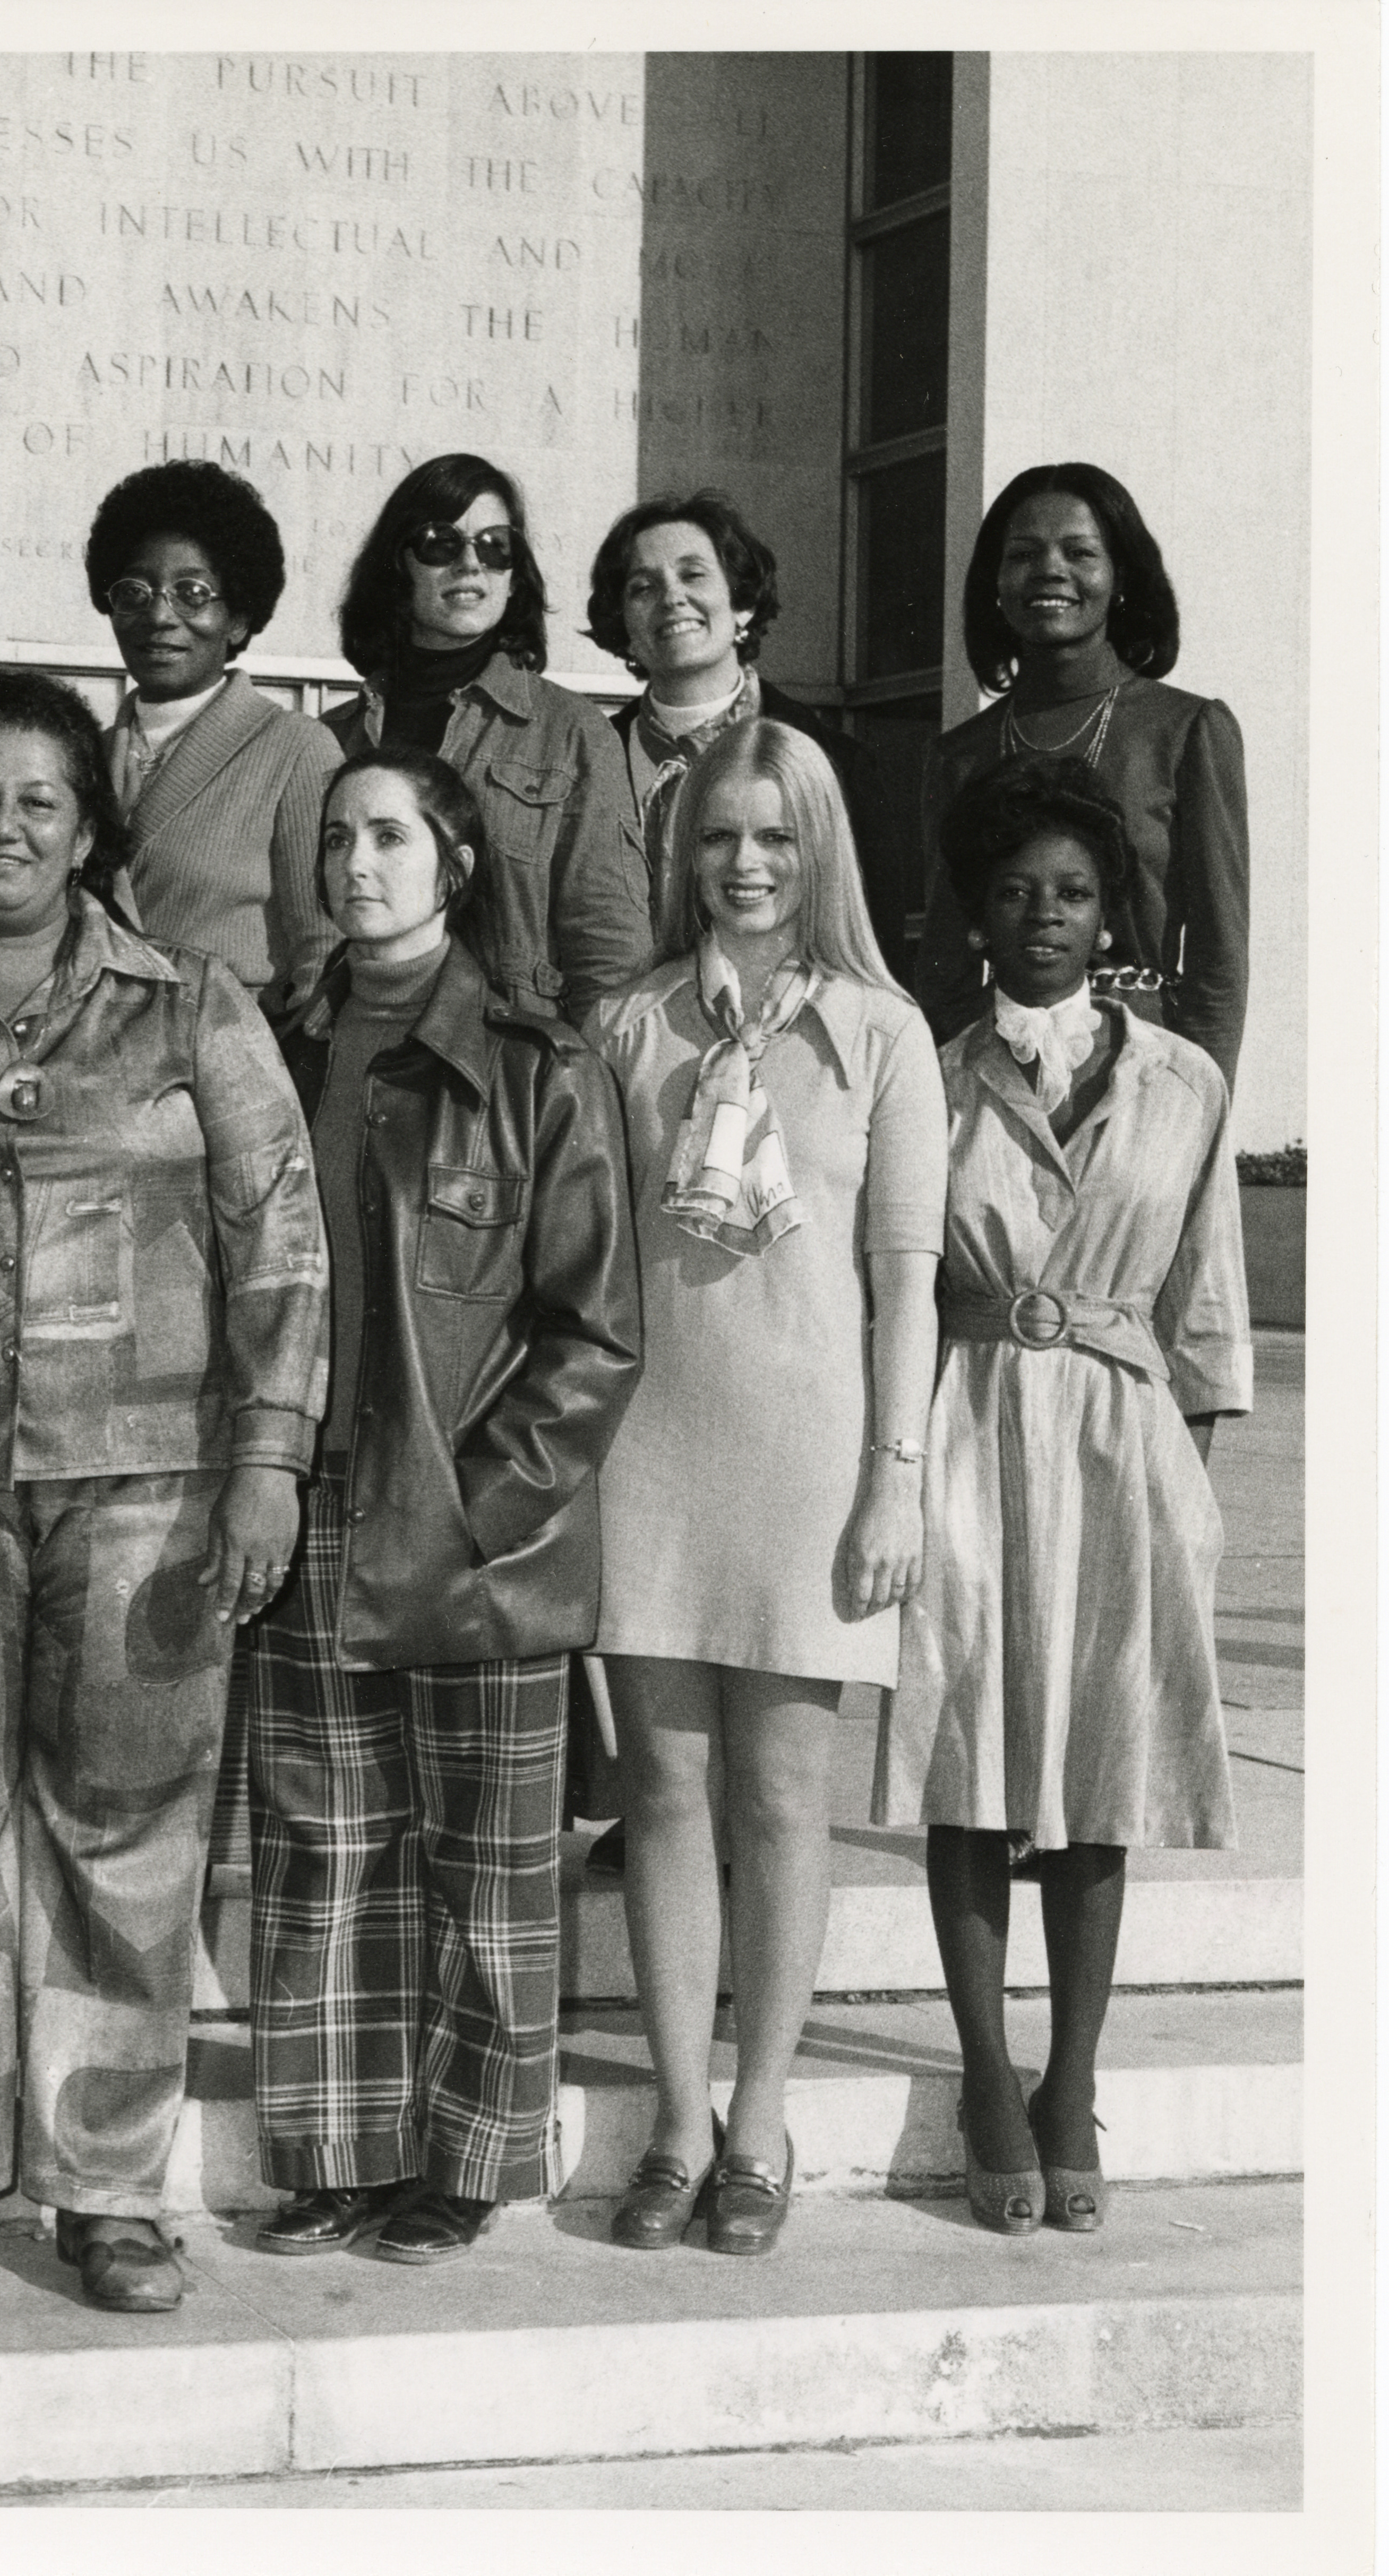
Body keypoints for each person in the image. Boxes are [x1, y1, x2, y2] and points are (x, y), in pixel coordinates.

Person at [0, 668, 325, 2318]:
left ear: (92, 826)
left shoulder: (190, 1008)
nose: (5, 827)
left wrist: (269, 1459)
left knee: (129, 1839)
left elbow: (281, 1239)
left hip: (152, 1494)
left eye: (41, 799)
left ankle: (105, 2186)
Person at [239, 748, 640, 2267]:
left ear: (453, 861)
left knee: (485, 1859)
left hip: (475, 1520)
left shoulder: (536, 1059)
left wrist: (484, 1502)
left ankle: (468, 2158)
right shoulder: (273, 1040)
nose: (357, 862)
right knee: (321, 1842)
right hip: (305, 1500)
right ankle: (336, 2152)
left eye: (389, 835)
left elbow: (592, 1328)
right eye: (335, 835)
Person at [584, 718, 947, 2259]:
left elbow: (906, 1283)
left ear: (818, 850)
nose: (742, 863)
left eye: (772, 837)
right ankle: (673, 2114)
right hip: (650, 1452)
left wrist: (894, 1484)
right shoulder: (630, 1027)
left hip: (810, 1456)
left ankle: (758, 2116)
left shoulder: (881, 1034)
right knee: (663, 1790)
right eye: (718, 837)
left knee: (780, 1796)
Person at [876, 756, 1250, 2235]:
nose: (1044, 915)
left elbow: (1205, 1297)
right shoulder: (929, 1067)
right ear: (975, 910)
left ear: (1112, 915)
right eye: (1016, 889)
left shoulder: (1183, 1080)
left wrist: (1190, 1497)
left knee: (1099, 1768)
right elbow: (895, 1276)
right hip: (964, 1417)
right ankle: (982, 2076)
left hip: (1117, 1434)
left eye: (1074, 892)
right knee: (963, 1760)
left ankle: (1069, 2076)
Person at [913, 463, 1248, 1087]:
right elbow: (945, 962)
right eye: (1023, 554)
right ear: (995, 582)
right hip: (994, 1070)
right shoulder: (957, 756)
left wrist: (1201, 1101)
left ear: (1119, 577)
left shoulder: (1187, 730)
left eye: (1079, 552)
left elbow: (1218, 957)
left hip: (1144, 1067)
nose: (1049, 570)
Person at [329, 450, 653, 1024]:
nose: (470, 565)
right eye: (440, 543)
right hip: (357, 1048)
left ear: (514, 572)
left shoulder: (574, 734)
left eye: (495, 545)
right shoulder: (331, 740)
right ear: (398, 565)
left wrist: (580, 1096)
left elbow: (610, 958)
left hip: (511, 1080)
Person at [585, 489, 919, 978]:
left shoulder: (838, 763)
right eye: (642, 587)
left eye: (692, 574)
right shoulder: (588, 757)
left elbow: (876, 949)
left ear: (741, 604)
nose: (671, 597)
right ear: (624, 622)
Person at [80, 460, 340, 1013]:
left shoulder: (295, 749)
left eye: (192, 593)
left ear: (239, 618)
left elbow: (323, 954)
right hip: (96, 1060)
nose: (159, 616)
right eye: (134, 592)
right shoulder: (84, 757)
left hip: (235, 1061)